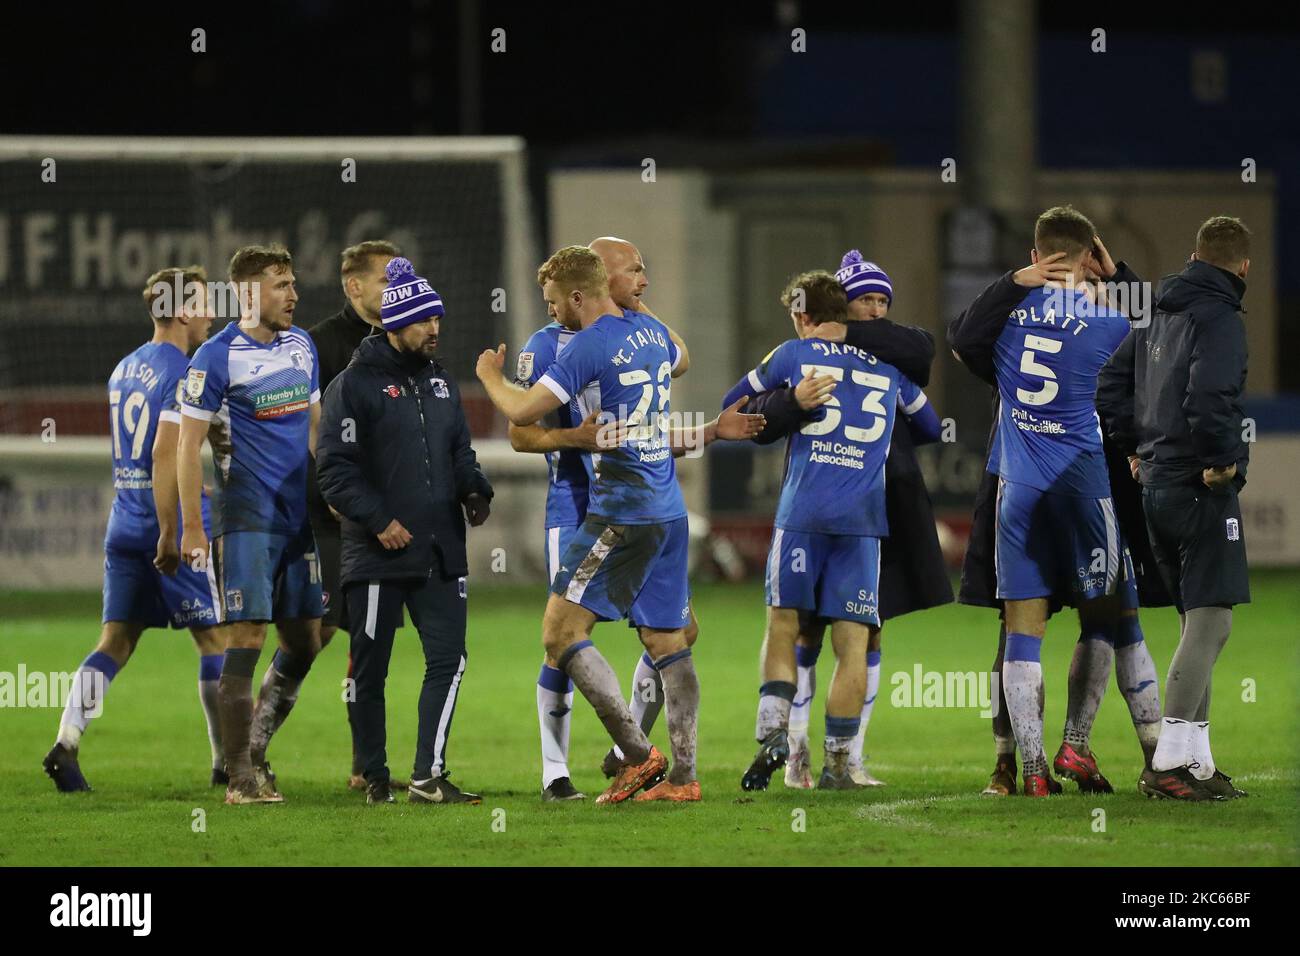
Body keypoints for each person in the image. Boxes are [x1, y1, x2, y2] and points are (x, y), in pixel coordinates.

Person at [476, 245, 761, 804]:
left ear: (580, 294)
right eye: (636, 270)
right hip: (629, 508)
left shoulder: (597, 340)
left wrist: (488, 374)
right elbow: (525, 433)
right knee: (626, 640)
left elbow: (524, 412)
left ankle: (634, 753)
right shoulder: (610, 339)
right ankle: (628, 776)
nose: (645, 280)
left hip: (621, 509)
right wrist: (707, 431)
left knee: (571, 633)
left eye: (557, 300)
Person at [948, 206, 1157, 797]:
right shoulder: (1111, 323)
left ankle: (1030, 769)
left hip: (1016, 487)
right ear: (1091, 258)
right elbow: (1162, 333)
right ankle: (1103, 747)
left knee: (1019, 629)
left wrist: (1016, 283)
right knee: (1116, 618)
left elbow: (961, 337)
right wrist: (1116, 280)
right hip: (1087, 488)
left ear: (1037, 257)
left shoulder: (1008, 322)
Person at [745, 252, 949, 788]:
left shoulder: (795, 355)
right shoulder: (891, 370)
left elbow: (737, 409)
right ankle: (836, 761)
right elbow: (929, 425)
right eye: (867, 300)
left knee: (790, 629)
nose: (877, 310)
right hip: (865, 517)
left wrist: (791, 402)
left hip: (807, 512)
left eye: (884, 300)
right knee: (852, 641)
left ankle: (781, 742)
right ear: (843, 305)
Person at [317, 257, 493, 806]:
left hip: (440, 550)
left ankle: (428, 775)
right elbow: (335, 471)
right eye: (423, 320)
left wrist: (475, 488)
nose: (434, 329)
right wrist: (379, 520)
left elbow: (459, 450)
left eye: (438, 319)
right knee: (371, 669)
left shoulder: (441, 381)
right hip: (376, 555)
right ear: (394, 324)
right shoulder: (353, 386)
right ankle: (373, 776)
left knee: (449, 659)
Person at [43, 266, 224, 792]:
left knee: (116, 640)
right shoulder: (187, 372)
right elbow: (167, 453)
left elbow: (136, 454)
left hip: (123, 520)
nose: (212, 313)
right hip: (162, 525)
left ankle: (67, 742)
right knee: (213, 638)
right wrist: (173, 529)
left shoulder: (123, 368)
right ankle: (224, 763)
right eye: (205, 303)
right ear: (184, 310)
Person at [1097, 215, 1253, 801]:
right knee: (1213, 617)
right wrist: (1221, 460)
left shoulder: (1157, 310)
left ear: (1194, 254)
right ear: (1244, 268)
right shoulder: (1219, 319)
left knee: (1198, 618)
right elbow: (1211, 395)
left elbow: (1110, 385)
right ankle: (1166, 761)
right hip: (1198, 484)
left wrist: (1135, 448)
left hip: (1155, 484)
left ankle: (1199, 764)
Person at [178, 243, 324, 805]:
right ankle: (239, 775)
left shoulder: (301, 345)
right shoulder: (216, 357)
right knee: (248, 635)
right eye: (281, 284)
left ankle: (254, 747)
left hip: (297, 519)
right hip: (246, 517)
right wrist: (193, 527)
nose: (293, 294)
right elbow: (185, 449)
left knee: (306, 640)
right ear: (246, 293)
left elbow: (314, 429)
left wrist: (327, 493)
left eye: (292, 283)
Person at [307, 239, 403, 791]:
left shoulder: (404, 340)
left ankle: (364, 766)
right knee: (312, 631)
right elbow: (310, 433)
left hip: (386, 516)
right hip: (330, 515)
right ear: (354, 286)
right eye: (387, 281)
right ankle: (249, 749)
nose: (397, 291)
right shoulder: (318, 345)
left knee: (369, 641)